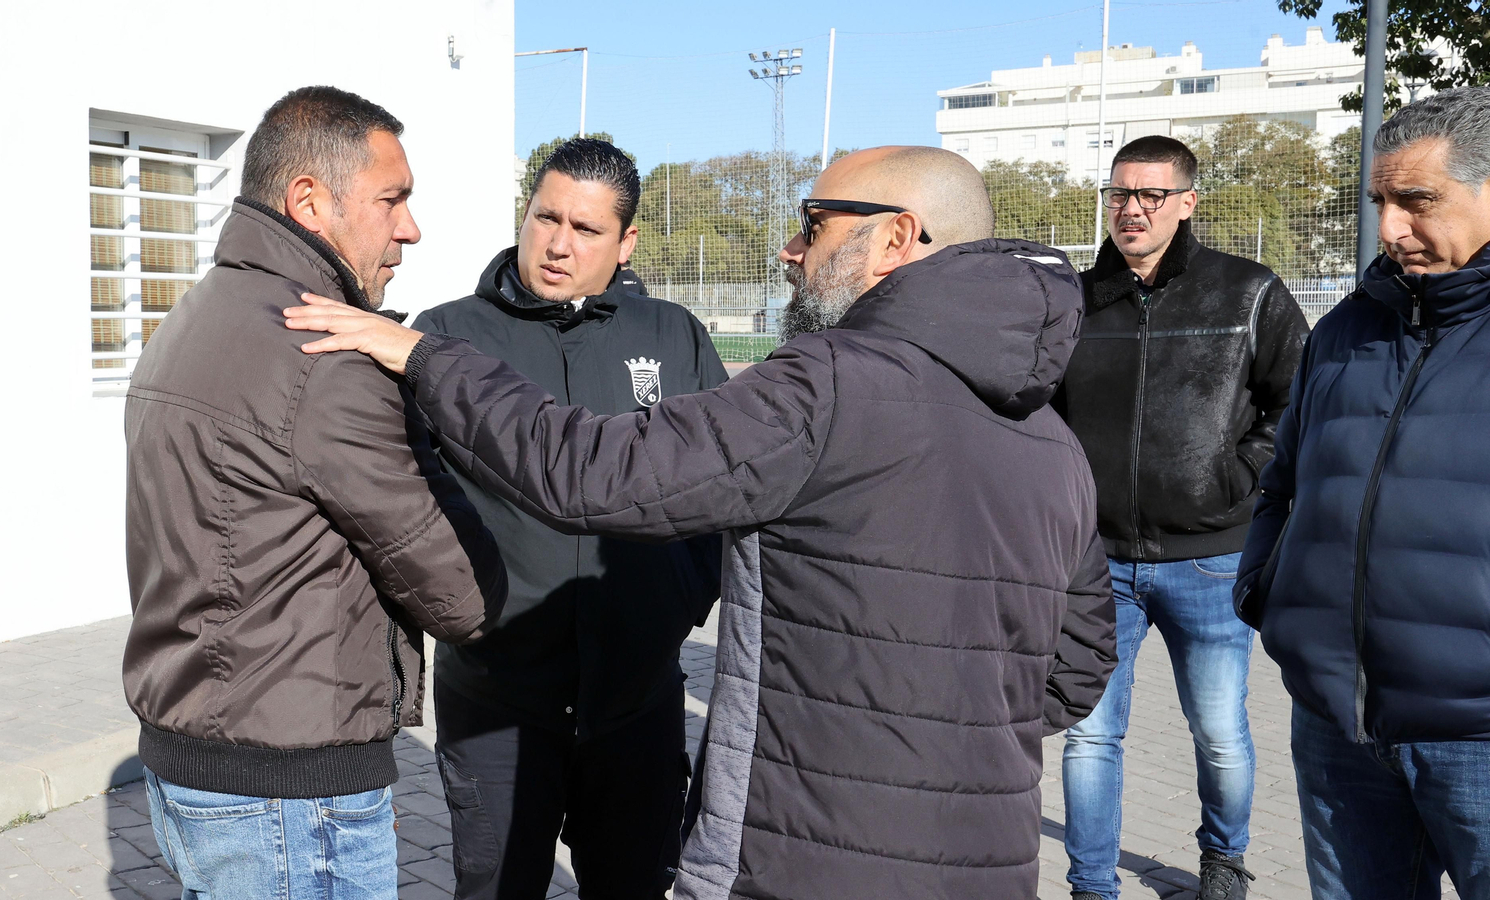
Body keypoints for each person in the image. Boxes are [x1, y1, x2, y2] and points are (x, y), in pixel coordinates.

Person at [286, 145, 1119, 900]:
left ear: (896, 238)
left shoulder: (822, 385)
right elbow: (1079, 667)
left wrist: (426, 360)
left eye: (815, 225)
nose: (791, 250)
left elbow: (595, 473)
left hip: (807, 847)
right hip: (986, 858)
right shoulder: (1054, 439)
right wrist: (952, 731)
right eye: (545, 217)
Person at [123, 86, 507, 900]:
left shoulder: (195, 315)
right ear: (309, 202)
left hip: (195, 766)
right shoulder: (326, 357)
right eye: (391, 200)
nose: (410, 227)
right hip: (288, 796)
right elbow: (462, 596)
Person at [417, 137, 726, 900]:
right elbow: (410, 497)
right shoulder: (447, 336)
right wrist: (466, 609)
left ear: (626, 242)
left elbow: (722, 486)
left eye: (586, 229)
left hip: (638, 702)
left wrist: (681, 598)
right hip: (497, 701)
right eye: (545, 218)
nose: (557, 244)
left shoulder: (672, 335)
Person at [1235, 86, 1490, 900]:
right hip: (1337, 727)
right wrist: (1263, 590)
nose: (1389, 228)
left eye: (1418, 201)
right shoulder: (1346, 328)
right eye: (1380, 202)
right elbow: (1284, 482)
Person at [1051, 135, 1308, 900]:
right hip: (1095, 561)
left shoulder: (1247, 291)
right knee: (1091, 733)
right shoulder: (1071, 300)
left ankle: (1223, 861)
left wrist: (1237, 476)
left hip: (1209, 559)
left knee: (1219, 732)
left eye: (1150, 195)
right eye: (1119, 194)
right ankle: (1090, 885)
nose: (1131, 209)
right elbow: (1039, 410)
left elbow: (1298, 400)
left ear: (1187, 202)